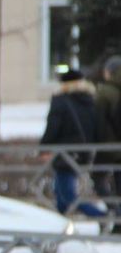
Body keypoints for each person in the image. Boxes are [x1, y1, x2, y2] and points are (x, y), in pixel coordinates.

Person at [40, 69, 105, 217]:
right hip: (84, 152)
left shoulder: (60, 100)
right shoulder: (89, 99)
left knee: (67, 195)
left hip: (65, 152)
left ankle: (102, 215)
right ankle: (60, 222)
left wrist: (44, 147)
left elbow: (53, 126)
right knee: (60, 192)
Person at [93, 55, 121, 204]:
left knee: (98, 179)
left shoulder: (106, 92)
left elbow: (99, 122)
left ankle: (115, 213)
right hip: (114, 146)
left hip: (109, 147)